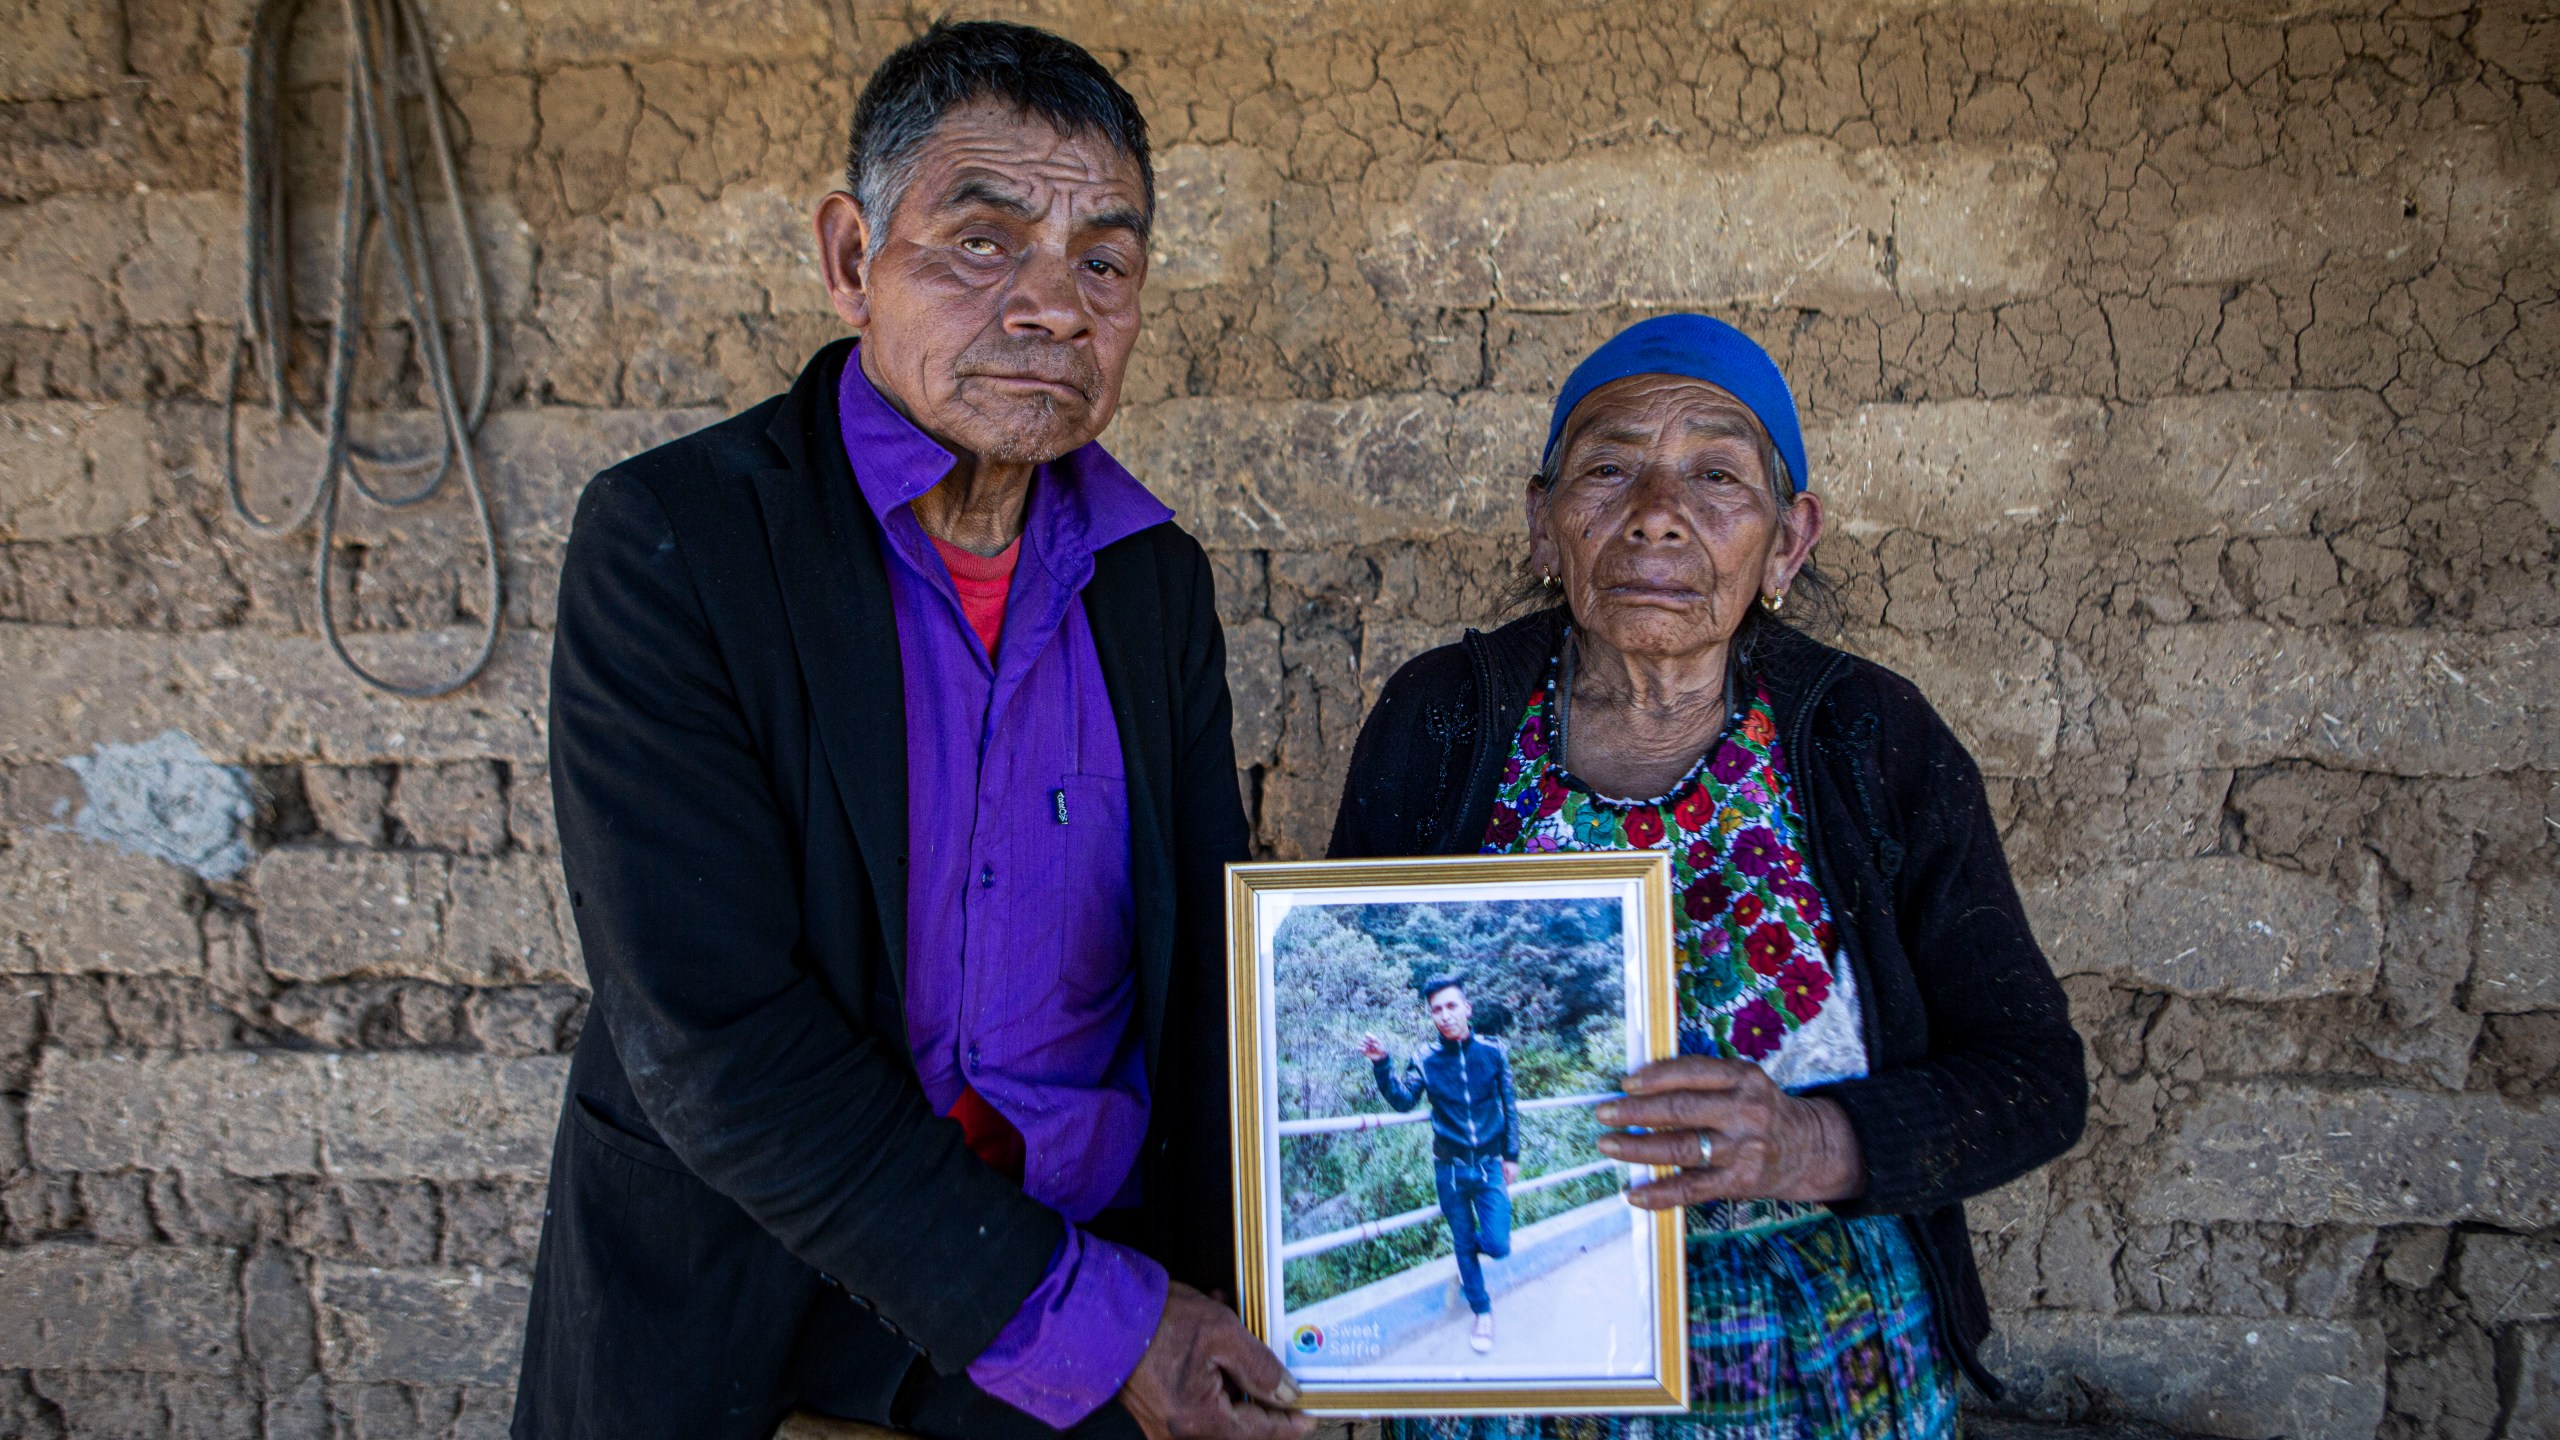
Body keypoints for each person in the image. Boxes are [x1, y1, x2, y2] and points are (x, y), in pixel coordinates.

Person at [512, 22, 1308, 1440]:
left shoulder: (1150, 581)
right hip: (756, 1285)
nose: (1056, 306)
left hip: (1095, 1256)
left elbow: (1195, 988)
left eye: (1104, 263)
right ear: (845, 258)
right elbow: (718, 1042)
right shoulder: (679, 546)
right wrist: (1107, 1324)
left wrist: (1267, 1290)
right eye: (983, 241)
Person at [1330, 314, 2086, 1438]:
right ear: (1545, 525)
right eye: (1607, 469)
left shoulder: (1868, 738)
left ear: (1787, 542)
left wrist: (1808, 1143)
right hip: (1514, 1362)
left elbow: (2035, 1080)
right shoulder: (1444, 717)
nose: (1655, 515)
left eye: (1717, 475)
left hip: (1815, 1362)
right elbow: (1348, 1024)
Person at [1357, 976, 1521, 1352]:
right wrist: (1382, 1064)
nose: (1444, 1015)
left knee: (1497, 1244)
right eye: (1436, 1009)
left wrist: (1511, 1156)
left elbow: (1509, 1105)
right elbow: (1403, 1100)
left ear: (1467, 1008)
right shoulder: (1426, 1059)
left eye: (1451, 1006)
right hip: (1448, 1169)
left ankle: (1469, 1267)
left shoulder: (1493, 1052)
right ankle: (1482, 1312)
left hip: (1490, 1166)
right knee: (1463, 1240)